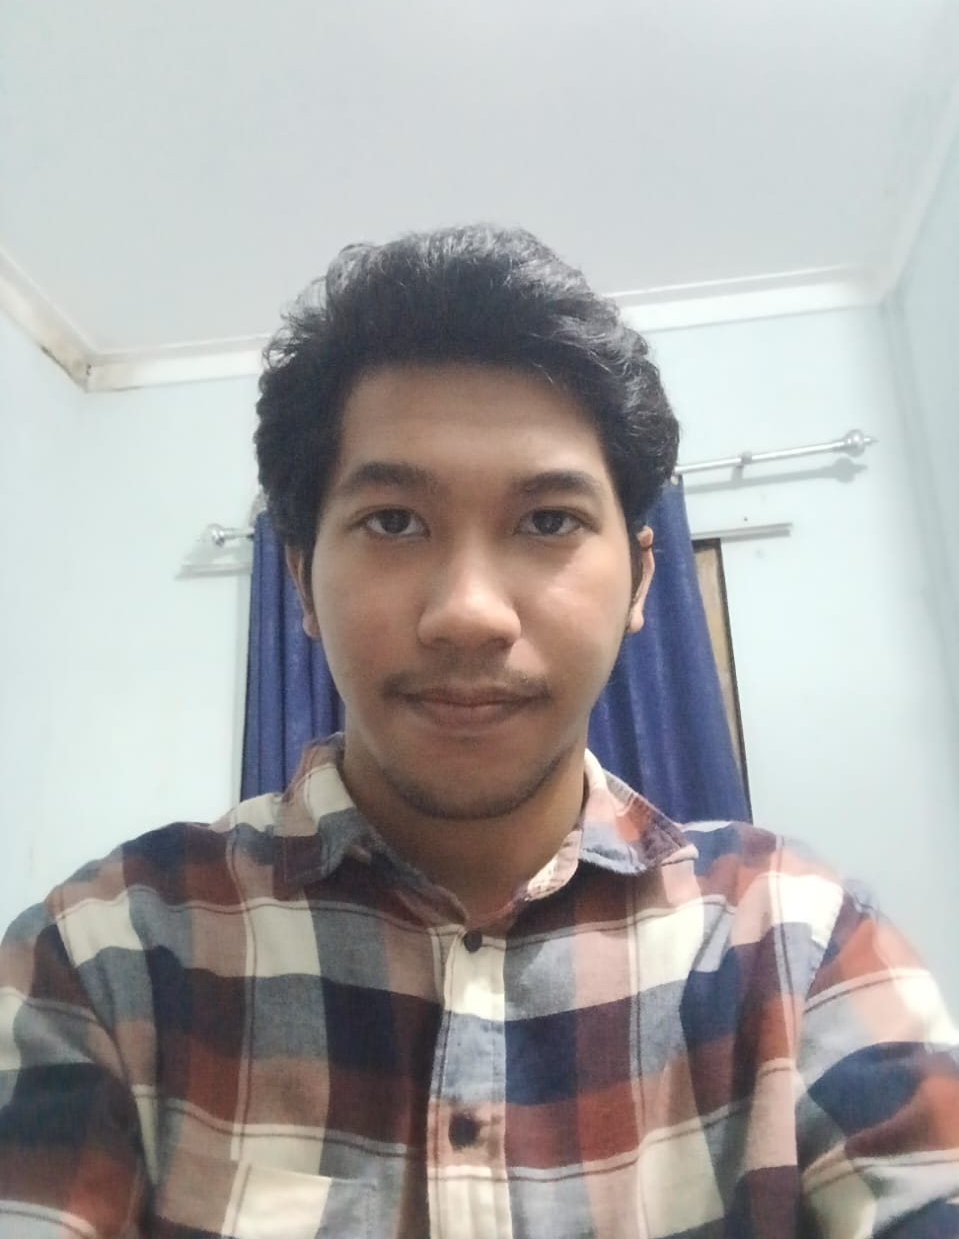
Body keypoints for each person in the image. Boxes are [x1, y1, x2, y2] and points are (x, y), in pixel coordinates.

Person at [1, 225, 957, 1239]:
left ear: (640, 580)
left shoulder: (796, 941)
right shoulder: (105, 955)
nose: (467, 613)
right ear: (302, 582)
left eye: (547, 521)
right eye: (393, 521)